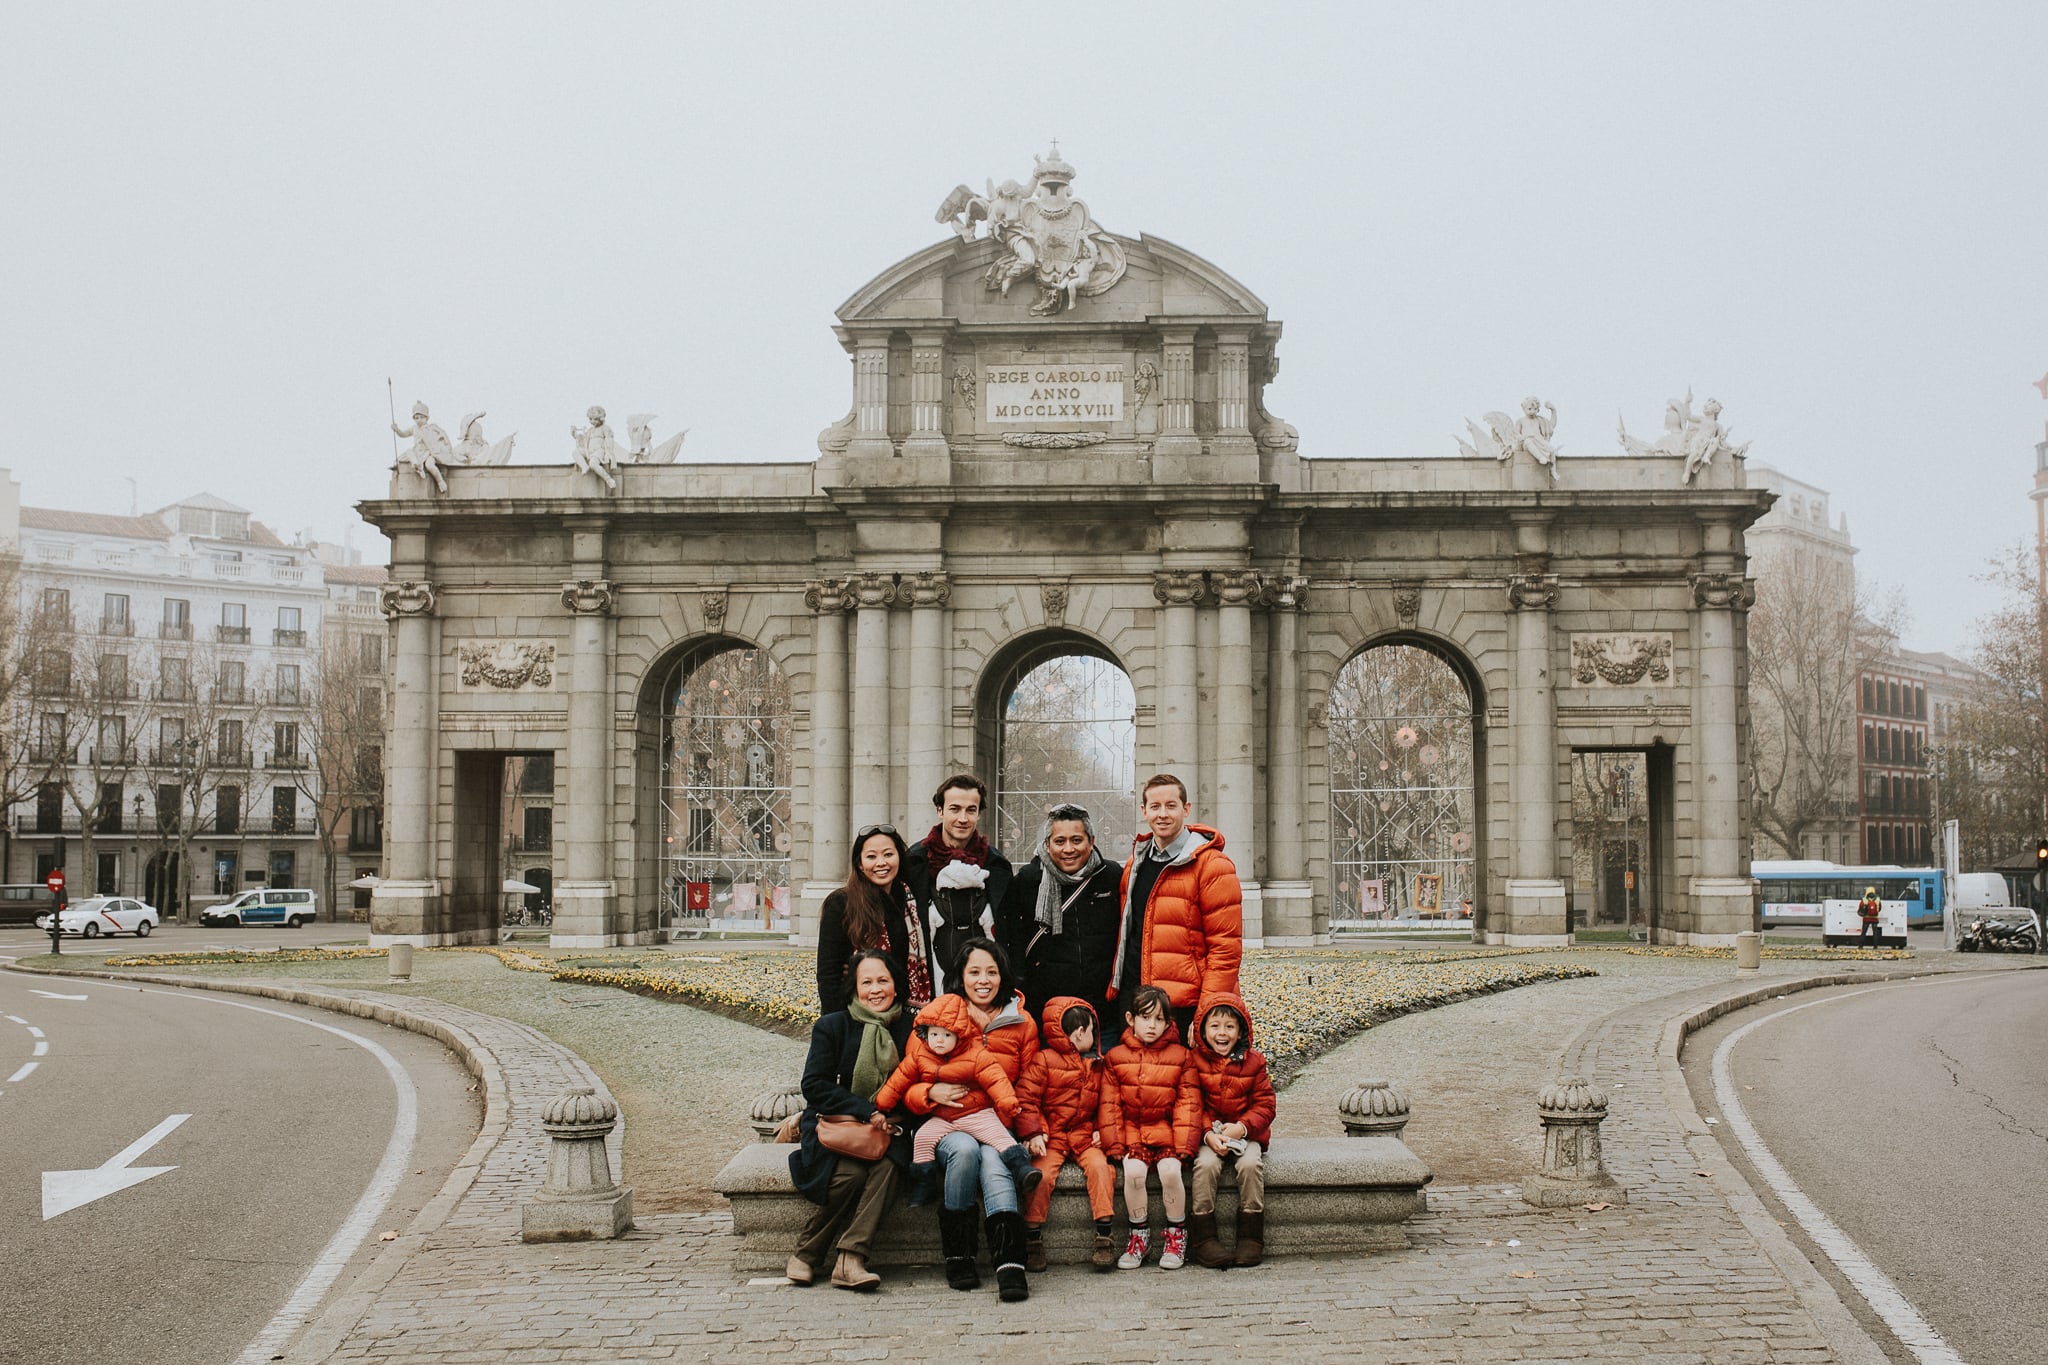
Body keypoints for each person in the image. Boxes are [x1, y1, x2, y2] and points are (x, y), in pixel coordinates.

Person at [786, 950, 916, 1291]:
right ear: (854, 988)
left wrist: (889, 1118)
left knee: (889, 1166)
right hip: (835, 1124)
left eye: (883, 981)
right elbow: (814, 1085)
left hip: (891, 1127)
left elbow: (918, 1080)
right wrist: (865, 1111)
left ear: (895, 984)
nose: (876, 990)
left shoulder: (910, 1028)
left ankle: (851, 1258)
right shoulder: (832, 1026)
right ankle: (807, 1252)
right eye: (867, 982)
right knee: (850, 1175)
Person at [925, 937, 1040, 1301]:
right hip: (947, 1121)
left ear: (1002, 975)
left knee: (993, 1160)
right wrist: (928, 1094)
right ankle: (959, 1255)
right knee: (964, 1152)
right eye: (974, 972)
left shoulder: (1021, 1022)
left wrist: (1030, 1131)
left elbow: (1029, 1084)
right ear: (960, 975)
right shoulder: (941, 1015)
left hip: (995, 1124)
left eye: (991, 971)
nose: (983, 980)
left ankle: (1010, 1264)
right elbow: (912, 1071)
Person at [869, 995, 1040, 1205]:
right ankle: (924, 1182)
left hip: (975, 1114)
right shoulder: (920, 1055)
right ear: (925, 1033)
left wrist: (1008, 1102)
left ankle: (1022, 1170)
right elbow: (899, 1081)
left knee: (1000, 1138)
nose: (939, 1040)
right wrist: (882, 1104)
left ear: (960, 1036)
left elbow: (995, 1077)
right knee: (922, 1139)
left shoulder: (975, 1054)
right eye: (934, 1034)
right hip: (942, 1116)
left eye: (946, 1035)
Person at [1113, 774, 1244, 1039]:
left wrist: (1206, 1013)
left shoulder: (1213, 866)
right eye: (1155, 806)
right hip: (1138, 1003)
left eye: (1171, 806)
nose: (1163, 814)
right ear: (1144, 811)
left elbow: (1225, 949)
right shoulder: (1134, 864)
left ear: (1186, 809)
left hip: (1184, 1005)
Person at [1099, 984, 1200, 1270]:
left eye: (1159, 1019)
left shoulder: (1181, 1056)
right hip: (1133, 1132)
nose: (1152, 1025)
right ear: (1131, 1019)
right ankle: (1139, 1236)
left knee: (1170, 1172)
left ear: (1169, 1022)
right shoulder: (1116, 1057)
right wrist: (1115, 1142)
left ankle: (1176, 1235)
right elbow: (1110, 1105)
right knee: (1133, 1174)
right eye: (1145, 1018)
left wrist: (1183, 1146)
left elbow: (1187, 1104)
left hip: (1167, 1132)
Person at [1015, 996, 1118, 1272]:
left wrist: (1102, 1132)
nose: (1095, 1037)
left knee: (1100, 1169)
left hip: (1085, 1135)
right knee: (1041, 1176)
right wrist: (1034, 1131)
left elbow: (1108, 1103)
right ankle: (1033, 1238)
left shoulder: (1098, 1063)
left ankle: (1104, 1235)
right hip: (1054, 1136)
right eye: (1092, 1032)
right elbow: (1026, 1099)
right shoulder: (1044, 1061)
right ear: (1081, 1032)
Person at [998, 801, 1123, 1027]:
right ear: (1047, 844)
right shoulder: (1027, 881)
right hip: (1045, 1011)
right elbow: (1014, 942)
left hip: (1103, 1012)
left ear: (1092, 841)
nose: (1068, 849)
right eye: (1059, 841)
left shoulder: (1112, 876)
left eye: (1077, 840)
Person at [1185, 991, 1276, 1269]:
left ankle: (1250, 1235)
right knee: (1205, 1166)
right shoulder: (1194, 1060)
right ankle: (1204, 1237)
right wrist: (1207, 1134)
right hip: (1209, 1135)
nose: (1221, 1033)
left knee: (1250, 1165)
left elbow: (1265, 1105)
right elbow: (1191, 1102)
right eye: (1214, 1026)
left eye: (1229, 1026)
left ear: (1240, 1031)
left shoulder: (1254, 1061)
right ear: (1203, 1030)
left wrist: (1242, 1127)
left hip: (1243, 1133)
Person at [903, 775, 1014, 994]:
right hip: (929, 985)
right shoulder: (914, 862)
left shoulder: (997, 865)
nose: (963, 818)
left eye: (970, 810)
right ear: (940, 810)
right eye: (955, 809)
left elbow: (1010, 932)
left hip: (985, 987)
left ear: (978, 814)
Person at [816, 825, 937, 1016]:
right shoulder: (841, 903)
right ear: (860, 864)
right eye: (871, 857)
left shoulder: (910, 901)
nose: (881, 863)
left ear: (899, 857)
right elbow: (828, 974)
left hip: (903, 1016)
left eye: (888, 854)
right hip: (855, 1014)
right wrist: (837, 1024)